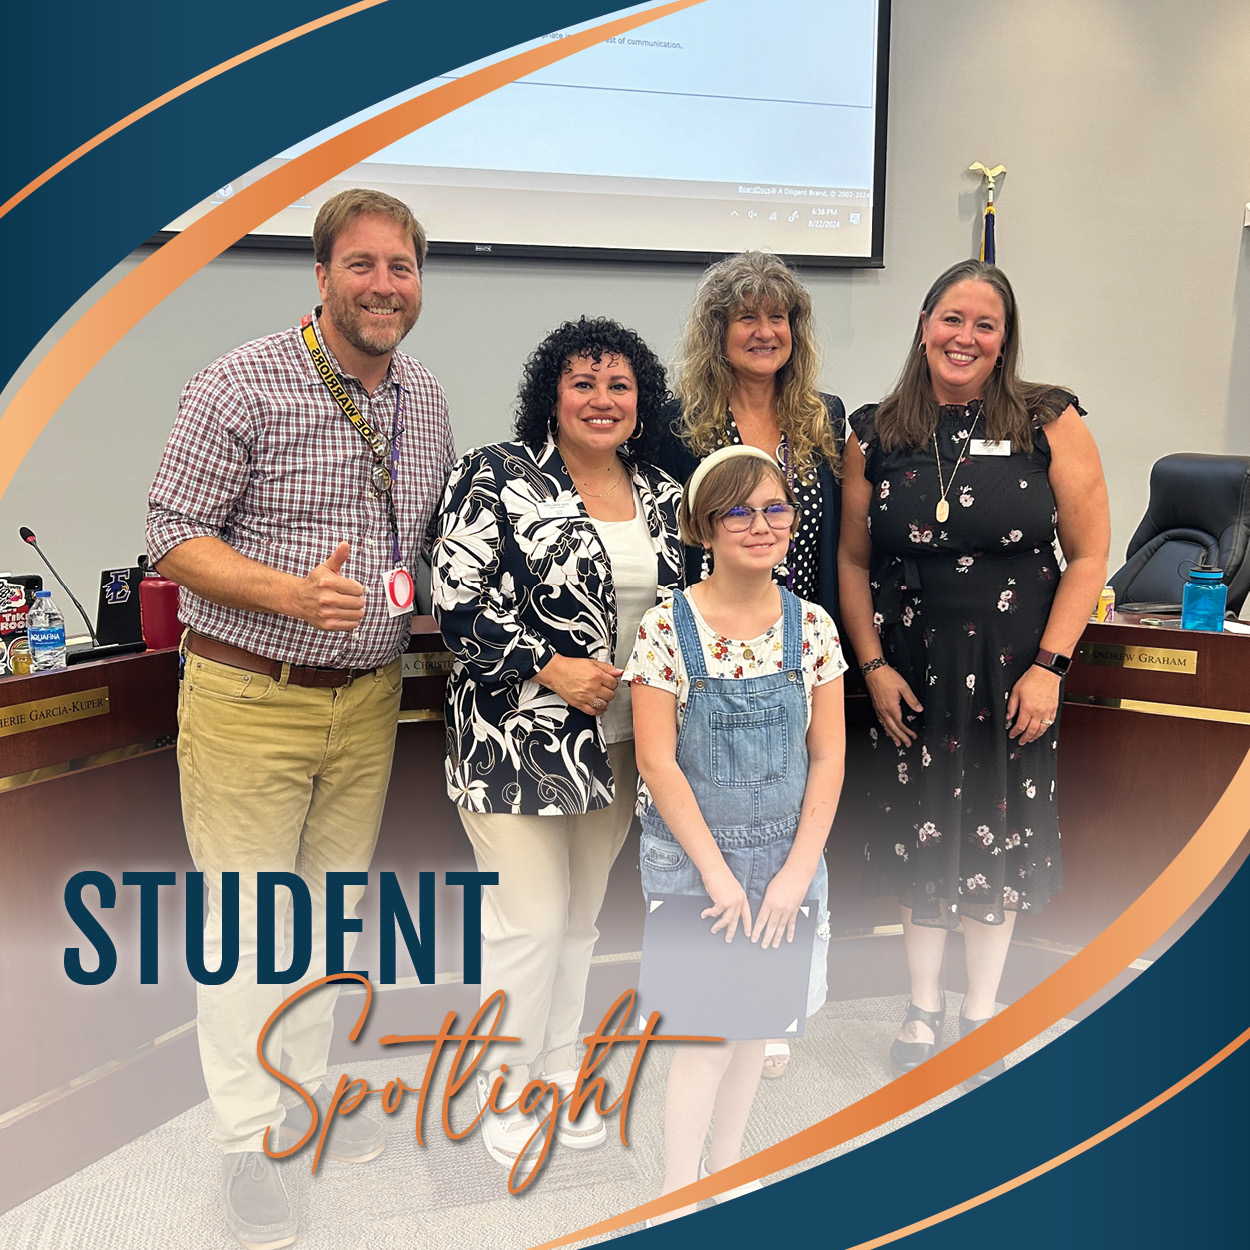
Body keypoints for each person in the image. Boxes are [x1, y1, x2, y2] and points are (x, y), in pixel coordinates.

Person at [146, 189, 454, 1250]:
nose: (383, 285)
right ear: (319, 275)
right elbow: (172, 534)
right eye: (362, 265)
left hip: (365, 702)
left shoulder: (427, 399)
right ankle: (242, 1143)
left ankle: (297, 1101)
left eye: (401, 268)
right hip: (249, 695)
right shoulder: (240, 381)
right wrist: (288, 593)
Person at [836, 259, 1110, 1085]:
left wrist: (1051, 668)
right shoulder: (875, 431)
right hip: (912, 667)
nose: (966, 337)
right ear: (924, 325)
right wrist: (874, 666)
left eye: (984, 325)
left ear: (1004, 340)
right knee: (922, 827)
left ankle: (983, 1009)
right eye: (952, 319)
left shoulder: (1048, 419)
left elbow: (1091, 552)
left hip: (1011, 670)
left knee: (1000, 827)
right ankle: (923, 1007)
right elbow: (851, 561)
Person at [430, 317, 684, 1177]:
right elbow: (454, 603)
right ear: (553, 395)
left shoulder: (659, 491)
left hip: (619, 747)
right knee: (527, 926)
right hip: (515, 740)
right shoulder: (498, 475)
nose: (602, 400)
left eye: (619, 386)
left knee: (579, 922)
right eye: (583, 384)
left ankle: (557, 1067)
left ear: (640, 401)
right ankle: (501, 1089)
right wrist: (551, 667)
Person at [627, 446, 846, 1219]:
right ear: (705, 527)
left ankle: (727, 1168)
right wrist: (720, 875)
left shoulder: (813, 628)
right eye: (739, 512)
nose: (761, 525)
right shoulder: (666, 628)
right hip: (696, 869)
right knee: (702, 1035)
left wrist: (793, 875)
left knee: (755, 1027)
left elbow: (828, 759)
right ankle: (676, 1186)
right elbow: (658, 765)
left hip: (787, 862)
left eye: (775, 508)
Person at [656, 250, 845, 1077]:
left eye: (779, 316)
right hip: (711, 641)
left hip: (801, 645)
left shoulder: (825, 418)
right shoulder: (679, 420)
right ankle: (721, 989)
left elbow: (843, 542)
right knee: (719, 806)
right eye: (747, 316)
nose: (764, 330)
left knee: (793, 800)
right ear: (719, 331)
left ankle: (771, 988)